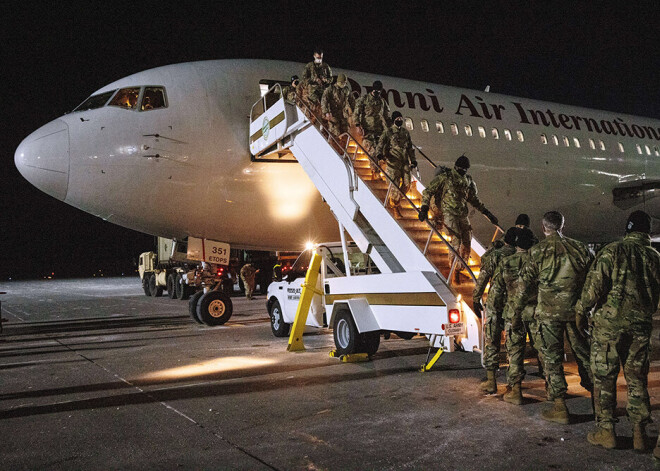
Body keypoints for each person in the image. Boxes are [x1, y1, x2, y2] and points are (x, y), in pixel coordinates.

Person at [574, 211, 660, 451]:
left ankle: (607, 431)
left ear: (627, 230)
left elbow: (594, 288)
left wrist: (581, 313)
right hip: (640, 327)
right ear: (647, 232)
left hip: (608, 328)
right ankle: (639, 432)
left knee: (604, 378)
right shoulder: (655, 257)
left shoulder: (612, 251)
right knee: (636, 379)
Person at [514, 211, 594, 424]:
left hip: (549, 314)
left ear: (543, 228)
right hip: (576, 312)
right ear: (562, 226)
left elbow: (523, 287)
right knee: (584, 356)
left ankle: (560, 406)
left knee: (552, 358)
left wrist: (516, 314)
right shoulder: (581, 249)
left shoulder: (537, 251)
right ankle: (600, 403)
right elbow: (594, 282)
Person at [488, 227, 543, 404]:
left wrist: (495, 310)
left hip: (513, 312)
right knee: (544, 350)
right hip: (536, 312)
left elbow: (497, 290)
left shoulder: (507, 262)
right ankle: (553, 390)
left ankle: (516, 390)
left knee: (515, 352)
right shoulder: (539, 261)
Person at [419, 155, 498, 268]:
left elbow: (473, 199)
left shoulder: (467, 181)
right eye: (462, 168)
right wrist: (424, 208)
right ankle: (453, 267)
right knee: (456, 239)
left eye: (465, 169)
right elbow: (428, 191)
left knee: (467, 240)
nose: (463, 170)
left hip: (462, 213)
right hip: (448, 212)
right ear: (456, 167)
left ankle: (462, 266)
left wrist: (487, 213)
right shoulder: (446, 178)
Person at [476, 227, 517, 394]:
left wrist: (475, 297)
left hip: (495, 301)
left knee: (492, 340)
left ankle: (491, 381)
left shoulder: (496, 254)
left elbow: (483, 272)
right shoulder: (522, 255)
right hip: (513, 302)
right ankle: (514, 385)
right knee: (513, 343)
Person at [375, 111, 417, 218]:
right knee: (394, 186)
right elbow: (380, 144)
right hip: (393, 161)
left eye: (400, 118)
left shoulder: (405, 132)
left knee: (407, 184)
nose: (399, 120)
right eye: (397, 118)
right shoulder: (388, 132)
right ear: (393, 120)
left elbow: (410, 148)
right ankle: (395, 207)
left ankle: (396, 200)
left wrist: (413, 160)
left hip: (404, 161)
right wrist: (379, 155)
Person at [353, 80, 391, 179]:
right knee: (373, 152)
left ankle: (388, 176)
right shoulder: (364, 99)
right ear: (372, 89)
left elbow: (387, 117)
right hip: (367, 131)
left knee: (383, 152)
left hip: (379, 131)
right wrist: (357, 125)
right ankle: (376, 173)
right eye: (376, 91)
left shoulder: (382, 102)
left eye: (379, 91)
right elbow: (356, 113)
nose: (377, 93)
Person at [321, 73, 355, 138]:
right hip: (333, 114)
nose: (343, 84)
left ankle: (342, 146)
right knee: (335, 132)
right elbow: (324, 100)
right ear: (338, 81)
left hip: (343, 115)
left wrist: (353, 112)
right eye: (342, 82)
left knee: (346, 133)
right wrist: (326, 112)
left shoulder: (346, 90)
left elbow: (352, 101)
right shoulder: (331, 89)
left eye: (345, 83)